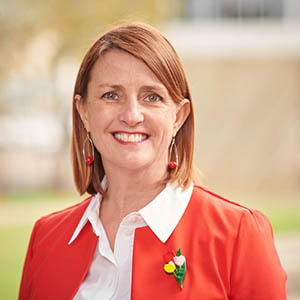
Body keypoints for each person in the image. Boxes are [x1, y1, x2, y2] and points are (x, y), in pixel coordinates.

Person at [19, 22, 286, 300]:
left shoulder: (238, 234)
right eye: (111, 95)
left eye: (152, 97)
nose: (132, 115)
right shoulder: (46, 238)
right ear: (83, 111)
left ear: (178, 117)